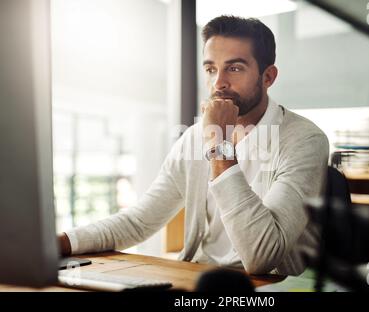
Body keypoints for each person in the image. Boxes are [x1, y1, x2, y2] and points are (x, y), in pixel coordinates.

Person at [59, 15, 329, 276]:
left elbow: (262, 256)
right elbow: (139, 222)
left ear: (268, 77)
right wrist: (60, 243)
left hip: (268, 286)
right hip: (200, 276)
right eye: (211, 69)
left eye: (234, 68)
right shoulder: (193, 138)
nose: (218, 83)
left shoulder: (304, 140)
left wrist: (219, 145)